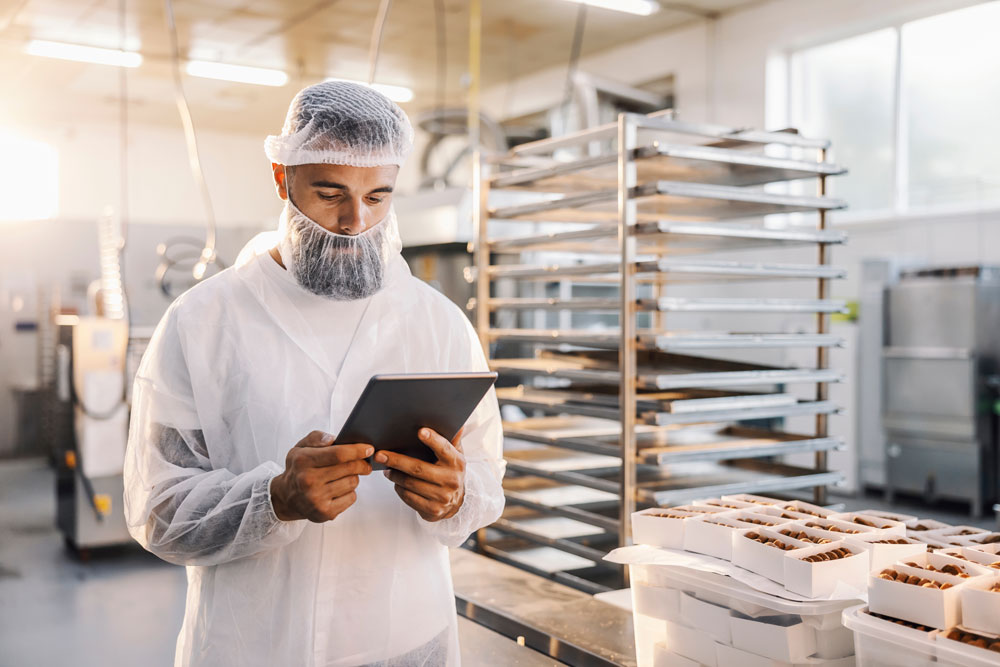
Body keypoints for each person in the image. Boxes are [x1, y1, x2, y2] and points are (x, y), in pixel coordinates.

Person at [123, 80, 505, 667]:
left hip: (402, 640)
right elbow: (158, 509)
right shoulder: (204, 322)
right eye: (331, 193)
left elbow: (486, 480)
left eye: (378, 196)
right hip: (253, 646)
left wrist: (455, 496)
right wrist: (274, 498)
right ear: (283, 178)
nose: (356, 221)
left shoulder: (439, 324)